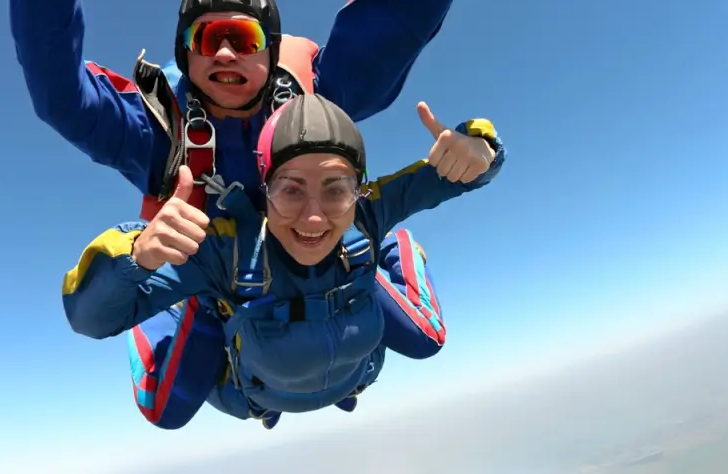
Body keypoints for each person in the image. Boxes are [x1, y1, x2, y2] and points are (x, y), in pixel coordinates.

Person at [8, 0, 483, 427]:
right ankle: (173, 310)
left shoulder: (315, 97)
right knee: (165, 407)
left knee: (424, 340)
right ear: (185, 55)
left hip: (330, 261)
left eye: (243, 36)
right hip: (218, 284)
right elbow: (63, 98)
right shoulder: (156, 133)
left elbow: (403, 18)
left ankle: (387, 251)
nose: (227, 52)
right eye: (207, 38)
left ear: (271, 48)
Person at [62, 94, 507, 430]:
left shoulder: (369, 212)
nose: (313, 216)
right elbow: (91, 318)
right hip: (267, 385)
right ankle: (189, 304)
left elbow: (463, 171)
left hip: (335, 367)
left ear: (359, 188)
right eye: (291, 189)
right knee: (164, 408)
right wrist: (136, 257)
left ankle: (396, 248)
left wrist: (479, 149)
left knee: (427, 339)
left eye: (336, 189)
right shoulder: (226, 250)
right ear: (264, 191)